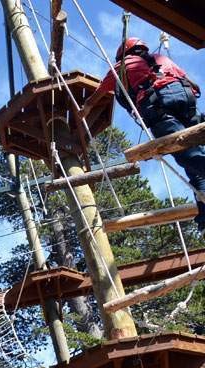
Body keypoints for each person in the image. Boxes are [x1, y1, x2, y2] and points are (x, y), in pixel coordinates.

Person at [80, 37, 205, 231]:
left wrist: (84, 110)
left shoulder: (121, 66)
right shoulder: (161, 58)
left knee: (185, 154)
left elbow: (97, 95)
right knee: (195, 166)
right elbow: (189, 83)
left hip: (159, 105)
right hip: (187, 102)